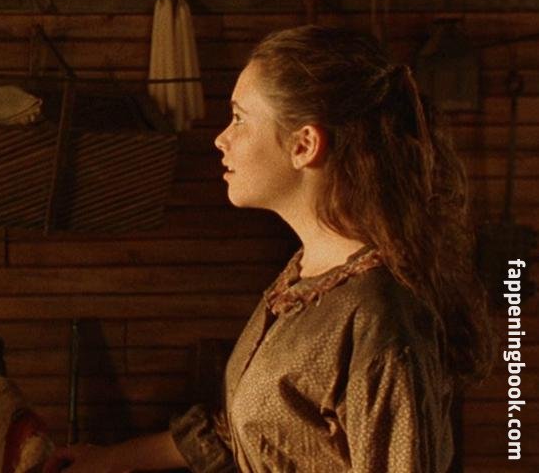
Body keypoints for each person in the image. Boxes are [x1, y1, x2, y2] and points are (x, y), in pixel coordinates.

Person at [47, 25, 493, 472]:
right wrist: (111, 460)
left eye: (239, 118)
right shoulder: (305, 275)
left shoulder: (379, 317)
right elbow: (261, 430)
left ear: (304, 145)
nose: (221, 138)